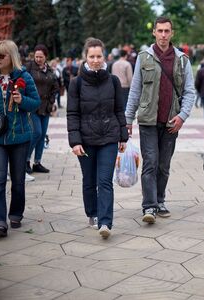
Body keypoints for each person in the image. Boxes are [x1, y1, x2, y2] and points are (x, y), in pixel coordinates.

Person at [125, 16, 195, 223]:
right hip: (148, 120)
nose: (163, 35)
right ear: (154, 32)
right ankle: (149, 207)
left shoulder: (182, 60)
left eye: (167, 31)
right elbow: (135, 90)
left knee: (164, 165)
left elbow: (190, 92)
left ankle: (160, 199)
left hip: (171, 122)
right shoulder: (143, 57)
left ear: (172, 33)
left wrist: (182, 116)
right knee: (150, 163)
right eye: (160, 31)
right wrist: (128, 119)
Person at [67, 38, 129, 238]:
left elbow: (119, 109)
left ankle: (105, 222)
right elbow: (72, 114)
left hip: (109, 137)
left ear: (105, 57)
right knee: (89, 181)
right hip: (85, 140)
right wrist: (75, 141)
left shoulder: (113, 81)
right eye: (92, 56)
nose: (95, 60)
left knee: (104, 181)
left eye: (99, 56)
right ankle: (92, 213)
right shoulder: (76, 84)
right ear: (85, 57)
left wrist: (123, 136)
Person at [0, 40, 40, 237]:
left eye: (1, 56)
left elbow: (35, 103)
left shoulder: (24, 77)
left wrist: (22, 101)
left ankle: (15, 213)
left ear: (11, 57)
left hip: (20, 137)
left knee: (18, 181)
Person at [25, 44, 59, 174]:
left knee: (42, 135)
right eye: (36, 56)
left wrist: (51, 101)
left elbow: (55, 86)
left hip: (46, 107)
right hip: (32, 106)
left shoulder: (50, 70)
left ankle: (37, 162)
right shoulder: (28, 68)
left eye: (41, 57)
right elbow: (21, 84)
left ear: (46, 57)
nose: (38, 59)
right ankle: (25, 160)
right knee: (37, 132)